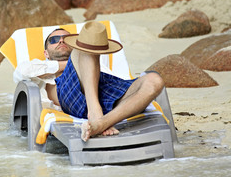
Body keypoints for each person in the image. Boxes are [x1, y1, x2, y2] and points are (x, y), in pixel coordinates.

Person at [14, 21, 165, 142]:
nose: (61, 41)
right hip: (72, 99)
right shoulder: (39, 66)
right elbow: (21, 73)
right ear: (46, 53)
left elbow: (117, 81)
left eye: (66, 39)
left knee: (154, 80)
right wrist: (65, 64)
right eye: (54, 40)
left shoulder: (98, 62)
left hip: (107, 93)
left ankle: (101, 123)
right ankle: (95, 112)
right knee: (85, 45)